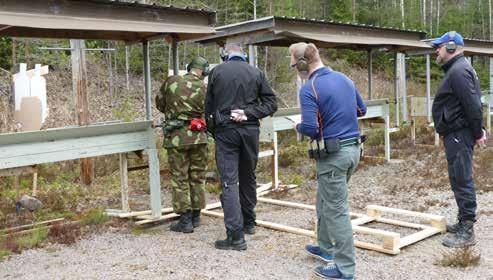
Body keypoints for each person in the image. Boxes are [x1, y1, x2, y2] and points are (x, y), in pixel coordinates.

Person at [289, 42, 366, 280]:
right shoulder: (345, 79)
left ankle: (344, 268)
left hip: (334, 157)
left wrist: (297, 126)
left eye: (293, 62)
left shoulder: (309, 87)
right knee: (324, 200)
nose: (293, 67)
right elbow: (361, 111)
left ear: (302, 64)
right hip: (353, 150)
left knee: (336, 210)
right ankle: (325, 247)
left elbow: (311, 128)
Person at [205, 43, 278, 250]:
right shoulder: (256, 72)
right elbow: (271, 103)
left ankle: (235, 236)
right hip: (250, 131)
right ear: (243, 55)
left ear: (224, 55)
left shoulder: (216, 72)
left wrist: (213, 130)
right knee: (248, 176)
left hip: (225, 131)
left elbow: (208, 106)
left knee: (229, 181)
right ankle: (249, 222)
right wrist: (249, 113)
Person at [430, 31, 487, 248]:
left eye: (440, 46)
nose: (437, 50)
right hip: (456, 133)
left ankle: (467, 229)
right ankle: (463, 221)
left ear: (451, 47)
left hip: (459, 133)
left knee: (462, 178)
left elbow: (472, 104)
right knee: (458, 177)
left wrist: (477, 132)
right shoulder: (457, 69)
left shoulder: (459, 71)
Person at [156, 56, 210, 233]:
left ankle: (184, 220)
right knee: (197, 176)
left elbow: (160, 103)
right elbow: (210, 110)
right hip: (199, 137)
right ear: (203, 71)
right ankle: (196, 216)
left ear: (189, 67)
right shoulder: (205, 87)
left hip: (177, 138)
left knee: (180, 178)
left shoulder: (172, 81)